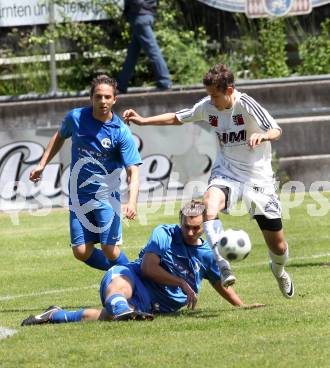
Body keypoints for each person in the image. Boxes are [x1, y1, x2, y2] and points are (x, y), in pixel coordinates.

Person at [122, 63, 294, 299]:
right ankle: (222, 265)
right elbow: (177, 118)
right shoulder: (208, 107)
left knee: (279, 246)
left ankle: (279, 269)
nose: (211, 100)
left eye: (215, 95)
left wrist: (263, 135)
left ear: (230, 90)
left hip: (258, 180)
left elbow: (276, 129)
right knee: (209, 203)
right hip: (227, 173)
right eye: (209, 95)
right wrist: (143, 121)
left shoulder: (245, 104)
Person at [21, 200, 264, 326]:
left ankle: (55, 315)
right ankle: (122, 308)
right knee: (121, 283)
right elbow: (148, 268)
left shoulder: (209, 254)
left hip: (154, 306)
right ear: (180, 222)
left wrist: (240, 305)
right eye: (186, 227)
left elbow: (219, 281)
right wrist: (180, 282)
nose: (190, 232)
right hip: (135, 278)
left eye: (196, 228)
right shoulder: (164, 233)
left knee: (105, 317)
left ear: (205, 227)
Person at [29, 75, 141, 271]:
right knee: (80, 251)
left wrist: (131, 202)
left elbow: (133, 170)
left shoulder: (120, 131)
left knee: (110, 249)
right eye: (98, 97)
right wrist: (42, 164)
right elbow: (60, 136)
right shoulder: (76, 118)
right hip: (78, 195)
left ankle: (133, 276)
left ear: (115, 99)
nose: (103, 101)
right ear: (91, 98)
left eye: (107, 97)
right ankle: (129, 271)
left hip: (106, 196)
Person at [117, 0, 172, 93]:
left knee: (153, 51)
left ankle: (165, 82)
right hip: (144, 15)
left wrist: (135, 7)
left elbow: (137, 2)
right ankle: (121, 84)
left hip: (140, 16)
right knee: (132, 54)